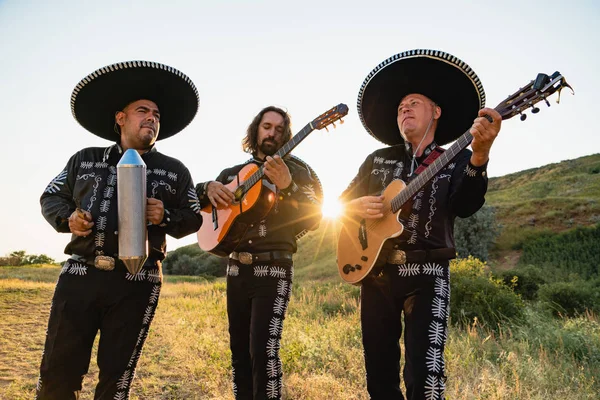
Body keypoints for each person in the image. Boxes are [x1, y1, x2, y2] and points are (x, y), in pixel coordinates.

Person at [339, 49, 502, 400]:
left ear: (436, 112)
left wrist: (480, 156)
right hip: (377, 275)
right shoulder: (377, 159)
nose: (405, 109)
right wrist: (354, 207)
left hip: (427, 273)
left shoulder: (457, 155)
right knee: (379, 377)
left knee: (425, 378)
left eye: (414, 102)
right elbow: (339, 206)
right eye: (400, 107)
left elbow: (466, 204)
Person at [37, 60, 202, 399]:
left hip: (137, 283)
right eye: (143, 110)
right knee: (58, 371)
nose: (152, 117)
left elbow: (195, 217)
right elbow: (51, 196)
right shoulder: (84, 159)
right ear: (120, 118)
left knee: (117, 380)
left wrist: (166, 217)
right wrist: (69, 218)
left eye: (156, 113)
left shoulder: (174, 170)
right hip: (81, 275)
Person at [195, 106, 322, 400]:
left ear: (286, 136)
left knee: (263, 351)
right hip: (237, 269)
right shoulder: (232, 174)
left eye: (279, 129)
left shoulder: (298, 172)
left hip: (275, 269)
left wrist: (287, 185)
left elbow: (316, 217)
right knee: (239, 351)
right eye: (267, 126)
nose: (272, 133)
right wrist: (206, 188)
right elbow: (197, 208)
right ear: (255, 130)